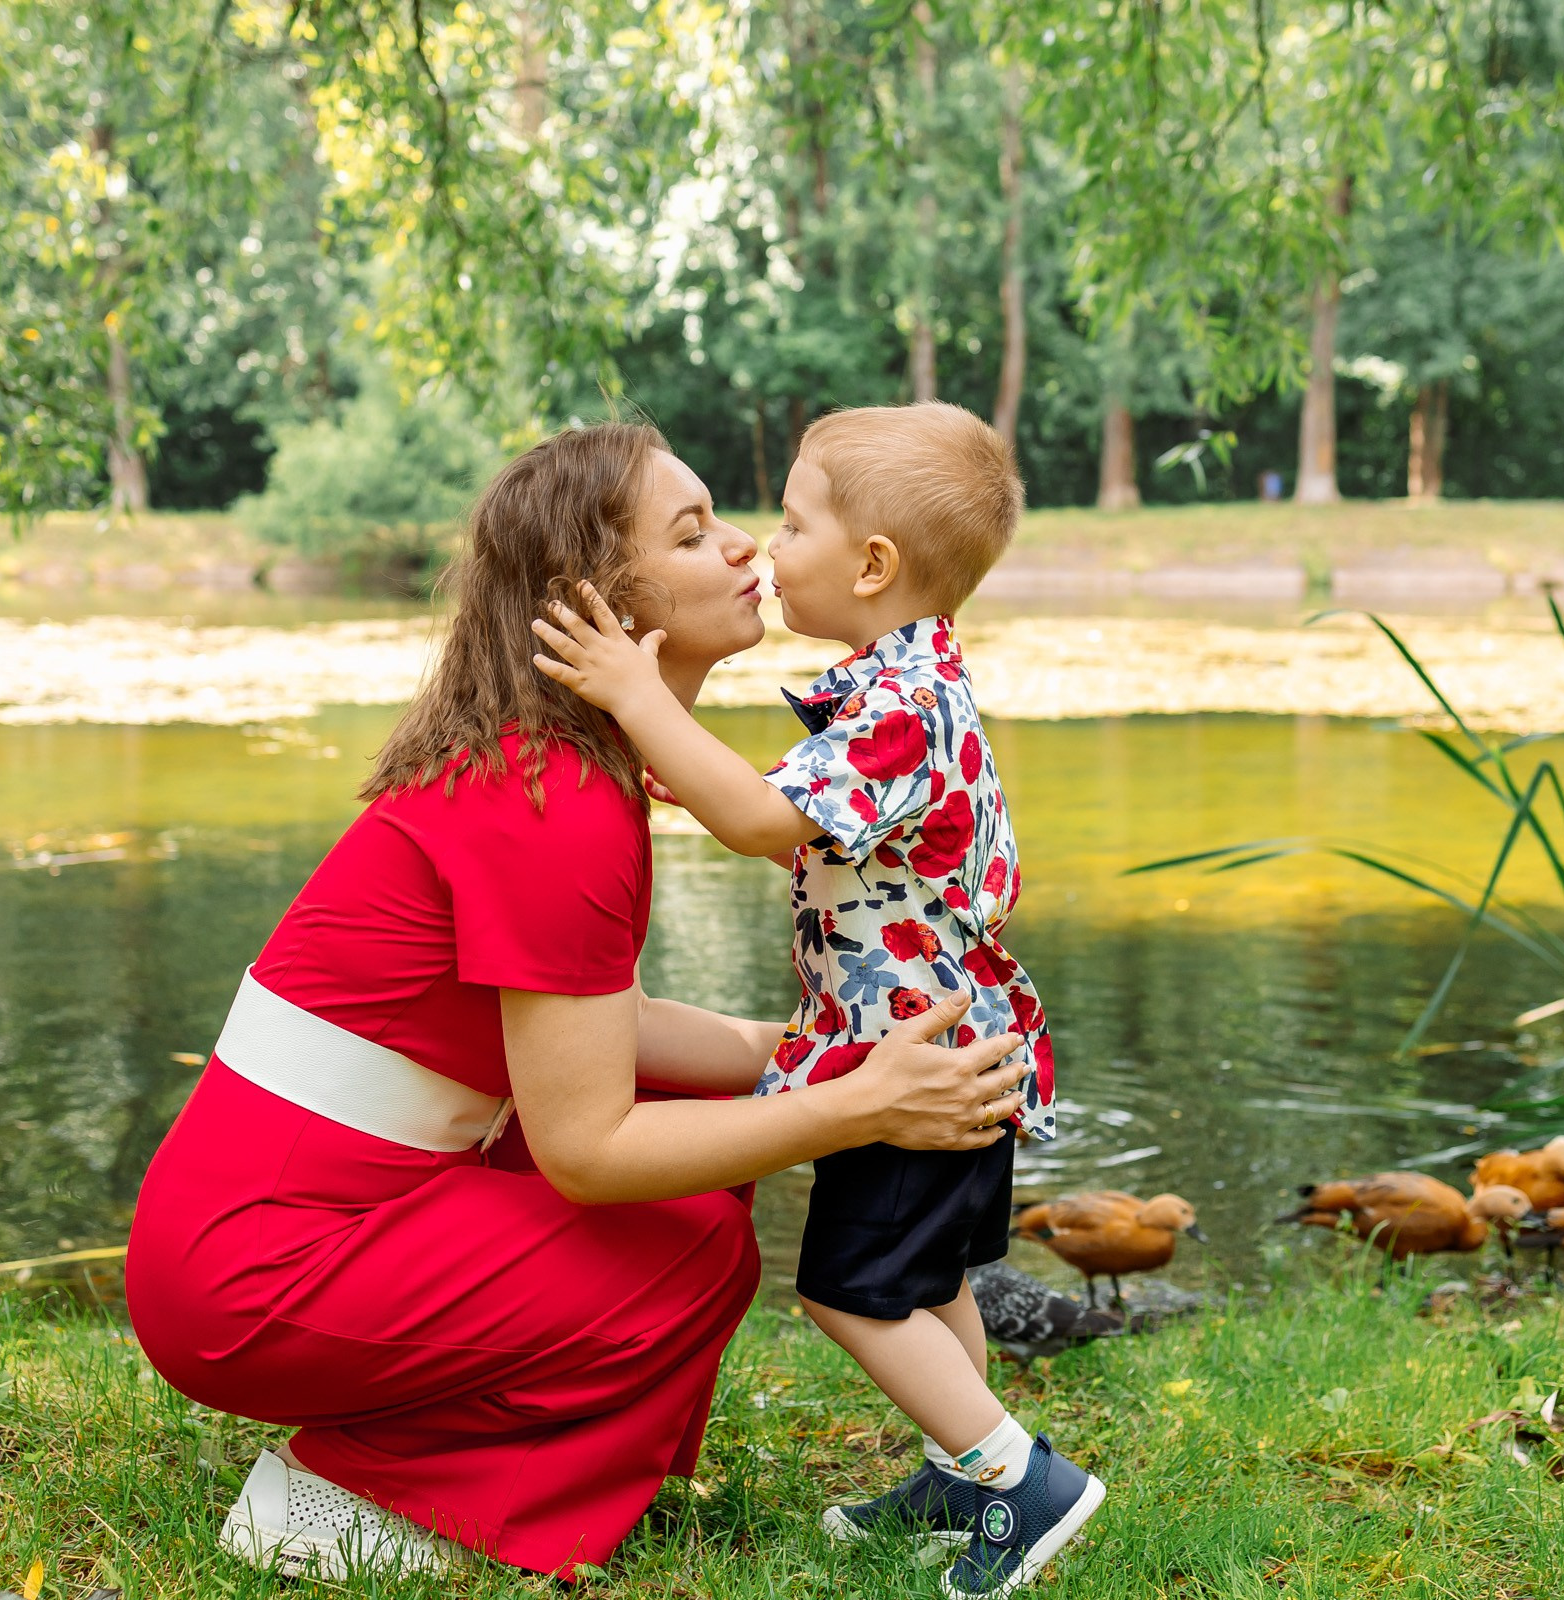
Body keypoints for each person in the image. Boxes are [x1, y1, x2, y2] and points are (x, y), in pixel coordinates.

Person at [123, 421, 1030, 1584]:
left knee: (702, 1170)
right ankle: (356, 1500)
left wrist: (831, 1055)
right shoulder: (551, 802)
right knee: (691, 1250)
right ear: (599, 598)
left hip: (290, 1231)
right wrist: (855, 1106)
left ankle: (509, 1454)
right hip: (254, 1276)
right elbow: (589, 1147)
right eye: (693, 533)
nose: (746, 546)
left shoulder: (561, 769)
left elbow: (611, 1035)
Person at [531, 401, 1103, 1600]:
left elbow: (758, 819)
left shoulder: (900, 711)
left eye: (792, 526)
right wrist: (681, 770)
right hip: (956, 1038)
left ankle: (1021, 1480)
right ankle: (963, 1469)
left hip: (916, 1058)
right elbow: (794, 807)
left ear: (872, 564)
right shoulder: (908, 685)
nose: (765, 546)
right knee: (930, 1279)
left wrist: (637, 694)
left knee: (849, 1291)